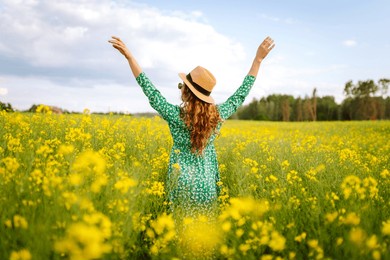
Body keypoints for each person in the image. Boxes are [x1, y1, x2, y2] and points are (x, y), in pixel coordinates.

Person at [108, 36, 275, 219]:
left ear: (186, 92)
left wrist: (130, 57)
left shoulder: (176, 116)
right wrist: (258, 60)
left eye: (182, 86)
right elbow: (240, 95)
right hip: (207, 185)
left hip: (181, 184)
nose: (180, 89)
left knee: (181, 233)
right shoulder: (217, 116)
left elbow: (149, 90)